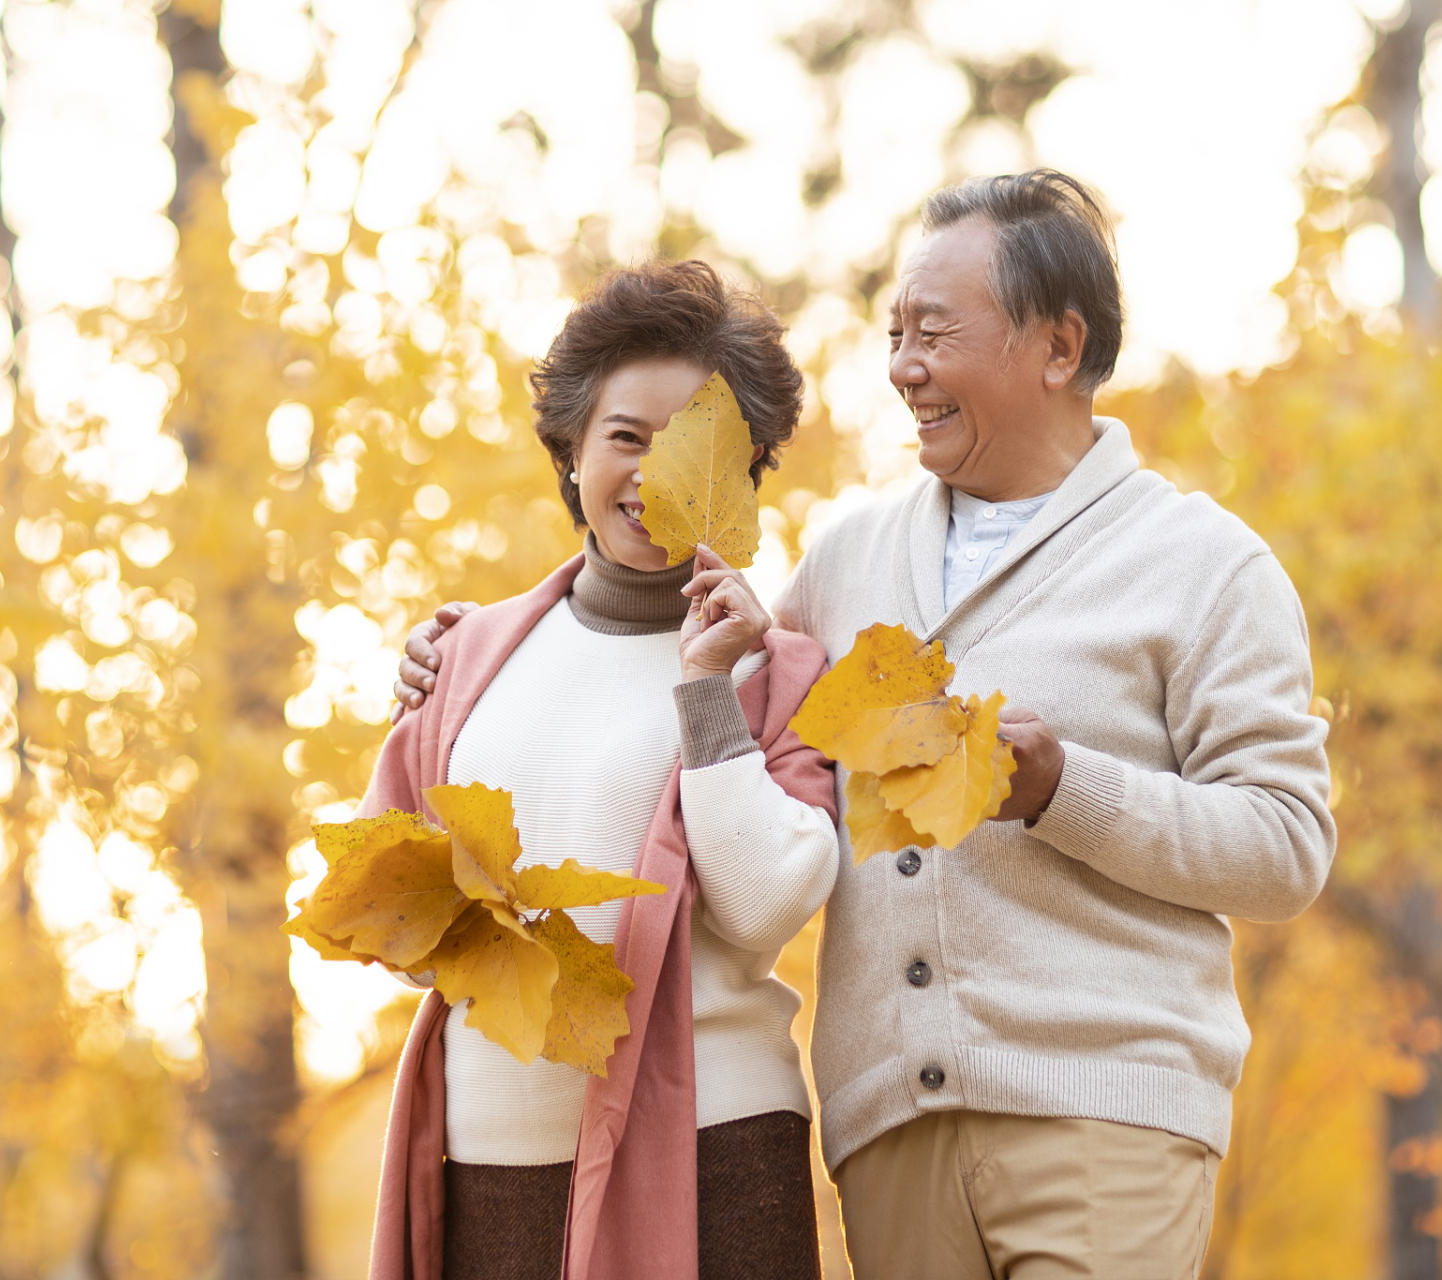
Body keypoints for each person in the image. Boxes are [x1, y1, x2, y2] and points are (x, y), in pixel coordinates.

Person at [394, 171, 1337, 1278]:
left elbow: (1283, 846)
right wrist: (471, 649)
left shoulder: (1202, 567)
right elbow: (670, 671)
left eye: (931, 331)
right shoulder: (845, 563)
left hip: (1104, 1111)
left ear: (1056, 344)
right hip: (888, 1123)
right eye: (892, 332)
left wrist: (1060, 788)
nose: (899, 366)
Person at [363, 258, 840, 1280]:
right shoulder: (465, 655)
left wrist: (708, 687)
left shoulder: (779, 671)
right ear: (571, 450)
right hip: (488, 1157)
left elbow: (761, 906)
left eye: (690, 445)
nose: (650, 473)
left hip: (713, 1153)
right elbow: (389, 921)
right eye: (624, 436)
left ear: (740, 467)